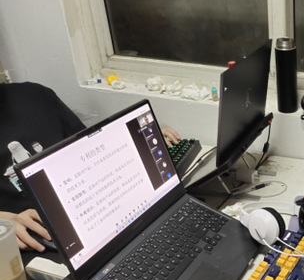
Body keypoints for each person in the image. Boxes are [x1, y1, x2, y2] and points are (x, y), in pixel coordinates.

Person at [1, 81, 181, 253]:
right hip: (34, 238)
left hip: (91, 215)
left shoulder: (36, 95)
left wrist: (144, 140)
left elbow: (89, 149)